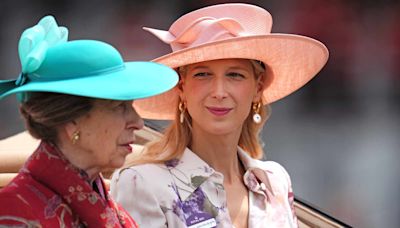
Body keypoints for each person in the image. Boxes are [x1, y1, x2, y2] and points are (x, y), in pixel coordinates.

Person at [111, 3, 328, 228]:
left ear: (258, 87)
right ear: (182, 88)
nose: (219, 92)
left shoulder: (275, 181)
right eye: (203, 74)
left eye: (235, 75)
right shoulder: (143, 183)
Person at [0, 16, 178, 227]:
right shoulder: (15, 211)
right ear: (72, 121)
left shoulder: (107, 205)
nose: (137, 122)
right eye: (119, 107)